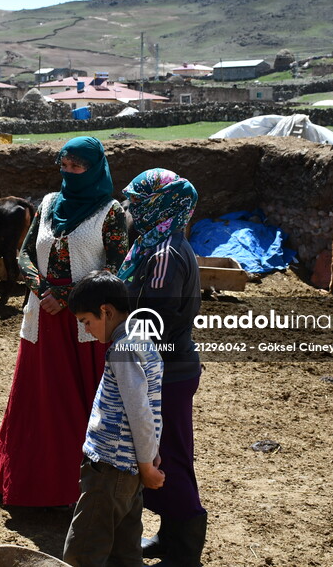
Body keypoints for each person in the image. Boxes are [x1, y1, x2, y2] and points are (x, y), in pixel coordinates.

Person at [0, 136, 128, 507]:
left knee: (78, 401)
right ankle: (16, 478)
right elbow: (25, 252)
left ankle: (73, 490)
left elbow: (117, 265)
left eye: (78, 166)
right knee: (34, 398)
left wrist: (68, 295)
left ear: (95, 169)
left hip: (84, 323)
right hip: (42, 318)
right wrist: (43, 289)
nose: (69, 172)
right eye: (65, 164)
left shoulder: (111, 213)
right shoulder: (48, 204)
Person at [119, 168, 207, 566]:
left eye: (138, 202)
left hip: (165, 368)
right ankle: (171, 536)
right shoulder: (154, 244)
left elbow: (156, 315)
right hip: (167, 365)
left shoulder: (163, 253)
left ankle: (184, 551)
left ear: (160, 205)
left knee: (165, 455)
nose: (130, 209)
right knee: (168, 452)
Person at [62, 270, 164, 567]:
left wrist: (147, 466)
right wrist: (150, 454)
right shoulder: (141, 339)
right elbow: (153, 405)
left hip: (110, 468)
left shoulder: (123, 350)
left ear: (105, 311)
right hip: (129, 469)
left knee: (83, 553)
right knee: (125, 553)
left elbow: (139, 411)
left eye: (87, 322)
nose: (87, 330)